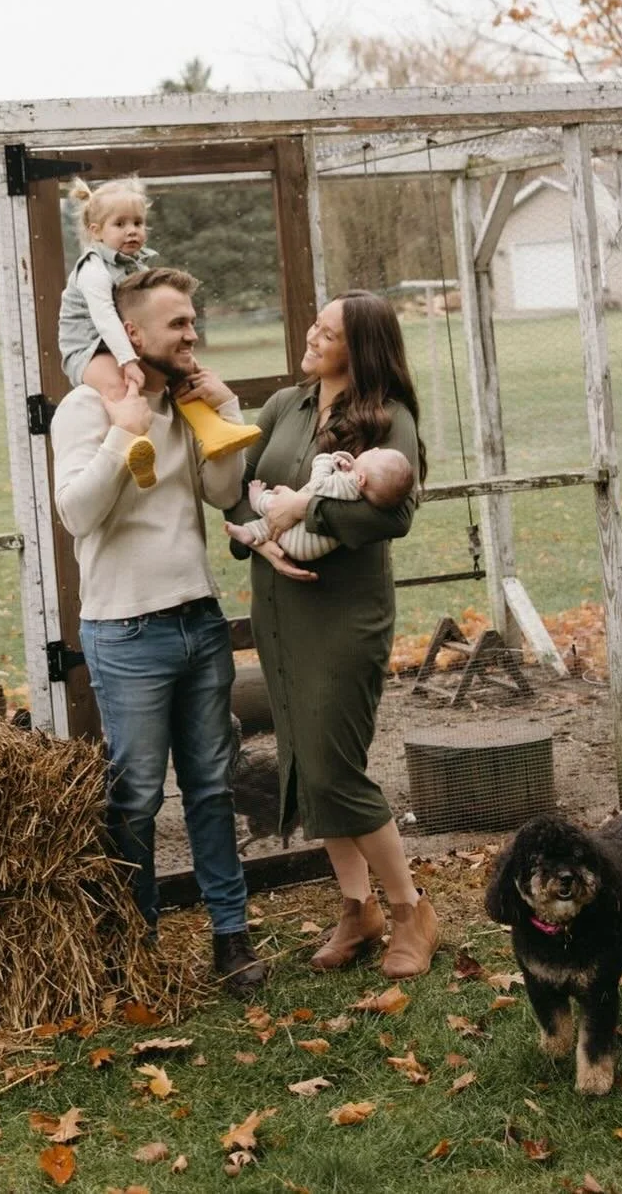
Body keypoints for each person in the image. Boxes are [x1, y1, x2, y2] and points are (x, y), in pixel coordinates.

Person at [51, 265, 267, 996]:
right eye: (179, 323)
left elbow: (223, 491)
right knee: (137, 795)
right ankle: (132, 943)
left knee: (211, 787)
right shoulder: (84, 409)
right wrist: (122, 436)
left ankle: (229, 936)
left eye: (194, 320)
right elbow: (78, 514)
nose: (194, 332)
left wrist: (225, 406)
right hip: (126, 632)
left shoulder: (187, 406)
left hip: (200, 623)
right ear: (133, 332)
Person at [226, 291, 440, 979]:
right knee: (303, 765)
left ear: (361, 347)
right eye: (313, 320)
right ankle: (358, 907)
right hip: (280, 607)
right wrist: (262, 541)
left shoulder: (387, 416)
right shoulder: (285, 406)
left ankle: (410, 910)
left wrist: (306, 506)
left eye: (328, 329)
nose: (312, 333)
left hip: (344, 610)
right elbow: (238, 486)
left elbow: (394, 512)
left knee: (333, 765)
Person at [57, 177, 259, 487]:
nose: (132, 230)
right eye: (120, 224)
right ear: (96, 231)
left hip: (120, 340)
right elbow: (105, 318)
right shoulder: (92, 268)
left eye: (138, 222)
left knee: (185, 376)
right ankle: (137, 446)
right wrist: (127, 360)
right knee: (119, 389)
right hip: (88, 347)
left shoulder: (137, 267)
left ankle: (215, 431)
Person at [225, 447, 415, 562]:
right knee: (276, 520)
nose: (374, 449)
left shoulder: (347, 485)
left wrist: (324, 461)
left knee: (274, 503)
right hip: (307, 548)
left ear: (361, 479)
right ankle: (251, 533)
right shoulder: (362, 491)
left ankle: (256, 503)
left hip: (300, 540)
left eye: (375, 454)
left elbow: (320, 484)